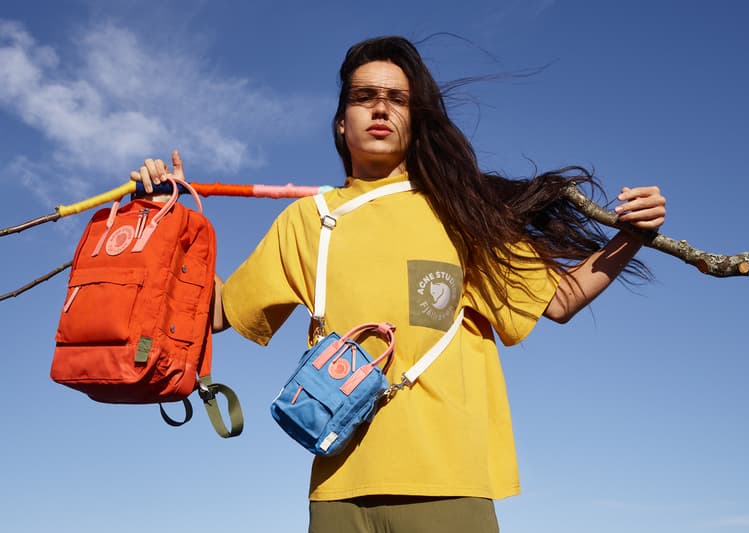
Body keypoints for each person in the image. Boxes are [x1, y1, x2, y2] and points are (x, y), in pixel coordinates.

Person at [132, 36, 665, 533]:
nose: (381, 107)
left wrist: (632, 237)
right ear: (342, 123)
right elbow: (219, 311)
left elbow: (559, 300)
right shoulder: (306, 220)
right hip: (336, 486)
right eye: (365, 96)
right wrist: (162, 225)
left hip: (450, 484)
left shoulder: (462, 213)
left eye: (397, 99)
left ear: (416, 120)